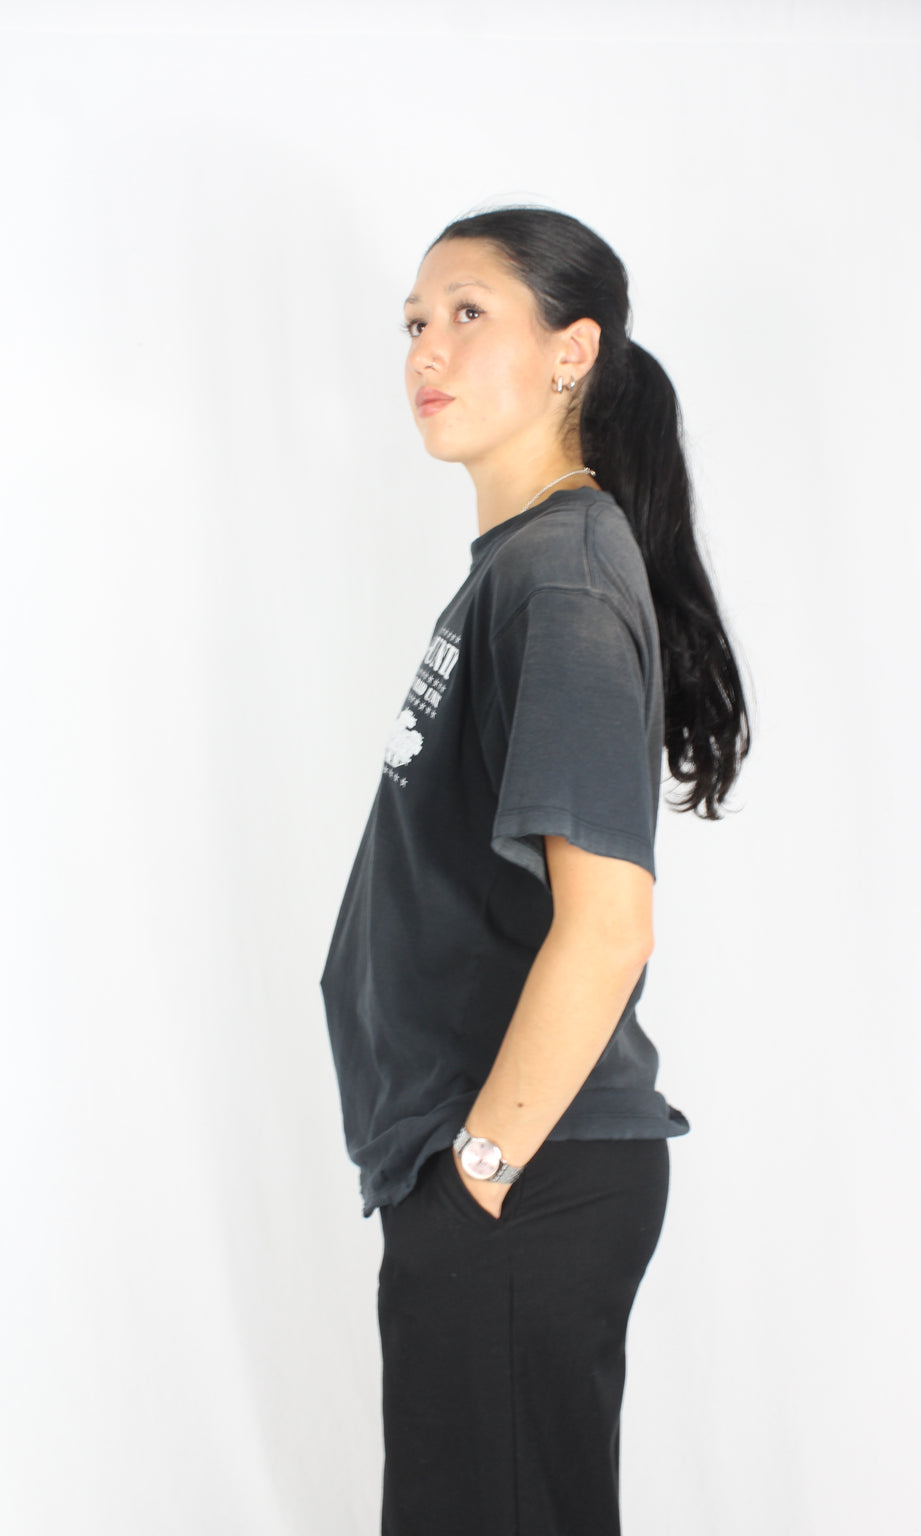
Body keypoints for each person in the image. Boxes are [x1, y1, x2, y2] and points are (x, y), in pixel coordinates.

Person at [318, 204, 751, 1536]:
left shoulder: (559, 576)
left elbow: (609, 925)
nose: (425, 351)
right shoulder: (522, 567)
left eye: (468, 313)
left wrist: (479, 1175)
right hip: (499, 1170)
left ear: (574, 352)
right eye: (413, 322)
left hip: (522, 1171)